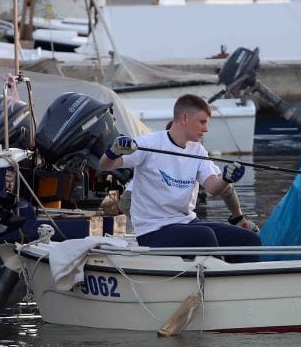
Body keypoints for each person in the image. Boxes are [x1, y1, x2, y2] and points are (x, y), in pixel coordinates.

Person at [99, 94, 262, 262]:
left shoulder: (198, 150)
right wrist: (113, 152)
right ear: (185, 118)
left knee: (248, 240)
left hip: (187, 223)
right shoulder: (148, 143)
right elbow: (106, 165)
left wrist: (226, 178)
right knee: (203, 235)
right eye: (202, 122)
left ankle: (243, 277)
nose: (206, 129)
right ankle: (218, 275)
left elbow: (213, 188)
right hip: (152, 231)